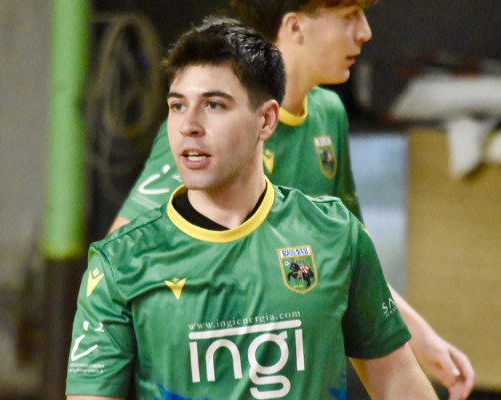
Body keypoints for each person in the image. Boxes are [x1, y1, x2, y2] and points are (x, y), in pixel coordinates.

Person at [107, 1, 475, 399]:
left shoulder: (328, 114)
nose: (365, 32)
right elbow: (117, 266)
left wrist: (419, 337)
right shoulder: (210, 132)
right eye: (349, 16)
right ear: (296, 27)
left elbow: (350, 263)